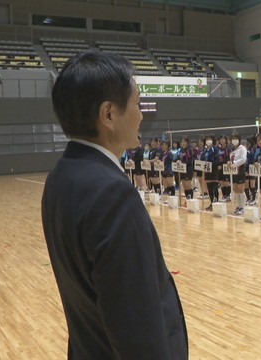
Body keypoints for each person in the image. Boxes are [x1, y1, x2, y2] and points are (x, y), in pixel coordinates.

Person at [41, 51, 188, 359]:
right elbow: (137, 329)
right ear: (108, 114)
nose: (141, 114)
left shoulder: (60, 177)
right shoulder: (112, 195)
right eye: (136, 103)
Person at [229, 134, 248, 215]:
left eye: (235, 139)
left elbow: (243, 159)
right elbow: (230, 159)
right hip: (233, 171)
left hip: (240, 170)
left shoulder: (242, 148)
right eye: (232, 139)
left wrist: (235, 163)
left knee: (241, 188)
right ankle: (239, 206)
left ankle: (243, 207)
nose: (234, 140)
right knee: (236, 189)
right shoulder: (232, 150)